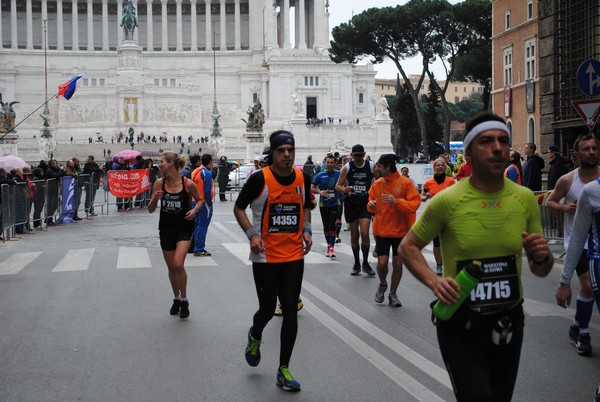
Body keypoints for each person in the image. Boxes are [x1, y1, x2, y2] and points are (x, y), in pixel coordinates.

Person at [400, 111, 553, 402]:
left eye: (503, 141)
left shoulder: (524, 198)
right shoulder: (447, 201)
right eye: (486, 141)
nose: (497, 148)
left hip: (509, 320)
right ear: (468, 152)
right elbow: (408, 248)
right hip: (461, 323)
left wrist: (542, 257)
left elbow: (540, 269)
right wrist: (435, 282)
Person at [233, 130, 312, 392]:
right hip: (265, 256)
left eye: (290, 150)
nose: (287, 155)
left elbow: (306, 206)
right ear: (273, 152)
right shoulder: (260, 179)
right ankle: (255, 334)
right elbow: (238, 208)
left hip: (293, 255)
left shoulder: (303, 177)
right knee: (267, 310)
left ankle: (283, 369)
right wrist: (252, 235)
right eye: (281, 151)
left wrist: (308, 230)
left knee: (290, 310)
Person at [550, 134, 600, 356]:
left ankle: (577, 323)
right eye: (586, 149)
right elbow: (549, 201)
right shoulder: (568, 180)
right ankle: (583, 333)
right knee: (587, 285)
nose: (591, 152)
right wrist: (565, 208)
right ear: (577, 155)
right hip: (578, 242)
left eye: (594, 148)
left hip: (598, 242)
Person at [147, 152, 203, 319]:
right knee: (171, 268)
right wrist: (155, 199)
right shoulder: (159, 183)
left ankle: (184, 299)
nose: (159, 165)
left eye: (162, 162)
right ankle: (176, 298)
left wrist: (194, 210)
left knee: (178, 264)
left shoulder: (188, 183)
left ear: (171, 163)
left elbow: (200, 200)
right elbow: (150, 210)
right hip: (166, 228)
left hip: (184, 228)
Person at [367, 154, 421, 307]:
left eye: (379, 165)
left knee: (397, 263)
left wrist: (396, 201)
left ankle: (393, 293)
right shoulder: (377, 184)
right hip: (382, 230)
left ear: (387, 167)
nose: (376, 168)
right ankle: (383, 283)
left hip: (402, 232)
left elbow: (414, 204)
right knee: (382, 262)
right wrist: (370, 205)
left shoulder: (405, 183)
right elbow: (370, 201)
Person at [335, 144, 376, 276]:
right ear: (352, 155)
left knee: (364, 233)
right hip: (351, 203)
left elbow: (380, 180)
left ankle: (365, 262)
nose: (358, 158)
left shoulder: (370, 166)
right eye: (355, 155)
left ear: (364, 154)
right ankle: (357, 263)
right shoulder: (347, 167)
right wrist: (344, 189)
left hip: (365, 203)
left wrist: (374, 192)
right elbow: (338, 186)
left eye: (360, 155)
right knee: (354, 235)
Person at [421, 158, 455, 275]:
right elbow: (423, 197)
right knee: (437, 243)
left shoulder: (450, 181)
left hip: (448, 214)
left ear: (445, 168)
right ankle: (439, 265)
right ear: (434, 168)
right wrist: (426, 196)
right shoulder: (428, 183)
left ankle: (449, 263)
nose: (440, 167)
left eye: (442, 165)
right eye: (437, 165)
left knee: (449, 241)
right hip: (434, 215)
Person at [311, 153, 341, 258]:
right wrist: (320, 192)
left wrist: (343, 190)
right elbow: (312, 187)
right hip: (323, 204)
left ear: (335, 163)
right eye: (328, 162)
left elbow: (344, 184)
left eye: (332, 163)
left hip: (335, 203)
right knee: (326, 226)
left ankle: (332, 247)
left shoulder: (339, 174)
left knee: (332, 224)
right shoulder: (319, 175)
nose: (329, 164)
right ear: (325, 163)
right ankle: (328, 245)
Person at [191, 154, 214, 256]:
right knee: (203, 225)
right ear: (210, 161)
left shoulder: (195, 172)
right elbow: (207, 190)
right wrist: (209, 203)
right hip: (203, 202)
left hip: (194, 201)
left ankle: (196, 246)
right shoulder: (207, 173)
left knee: (197, 224)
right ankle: (199, 248)